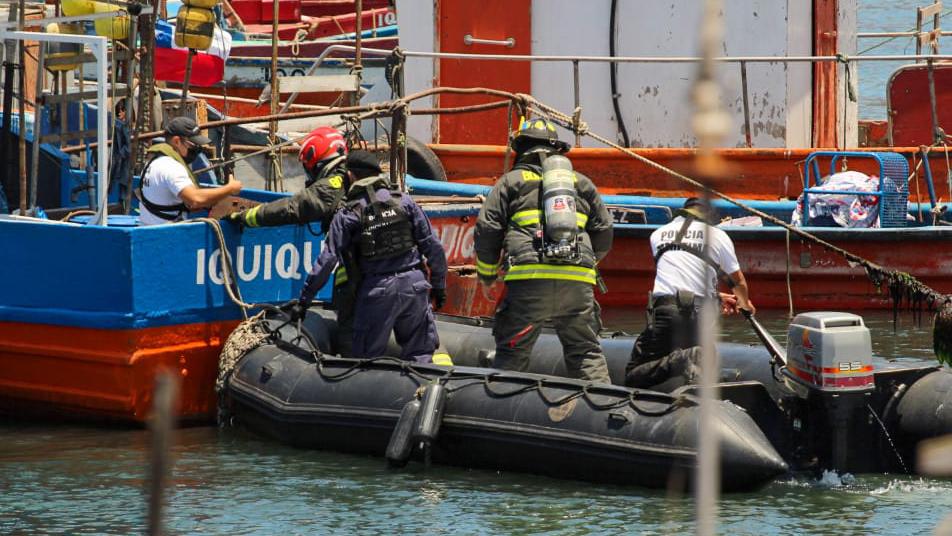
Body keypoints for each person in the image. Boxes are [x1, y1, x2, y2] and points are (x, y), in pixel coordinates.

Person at [474, 118, 613, 384]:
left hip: (529, 280)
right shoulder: (581, 183)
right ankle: (602, 415)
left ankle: (502, 411)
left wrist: (488, 275)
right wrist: (587, 262)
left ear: (521, 149)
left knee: (512, 352)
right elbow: (604, 230)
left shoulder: (510, 181)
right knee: (585, 352)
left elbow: (487, 228)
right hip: (577, 281)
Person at [295, 150, 448, 362]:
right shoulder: (405, 202)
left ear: (350, 176)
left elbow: (327, 260)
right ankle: (424, 392)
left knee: (365, 362)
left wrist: (303, 301)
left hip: (378, 291)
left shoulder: (348, 213)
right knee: (421, 356)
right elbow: (433, 247)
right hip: (415, 287)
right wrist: (439, 286)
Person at [224, 126, 359, 355]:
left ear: (317, 164)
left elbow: (291, 208)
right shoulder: (366, 181)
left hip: (360, 280)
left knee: (351, 342)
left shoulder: (330, 187)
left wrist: (246, 217)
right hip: (397, 276)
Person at [624, 196, 756, 389]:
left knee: (634, 374)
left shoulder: (657, 235)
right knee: (701, 363)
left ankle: (684, 360)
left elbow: (678, 276)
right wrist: (744, 304)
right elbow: (738, 282)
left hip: (667, 310)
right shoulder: (718, 235)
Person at [138, 116, 242, 225]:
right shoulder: (171, 167)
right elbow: (195, 199)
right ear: (177, 141)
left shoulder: (154, 162)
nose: (196, 149)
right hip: (166, 233)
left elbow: (164, 202)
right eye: (192, 144)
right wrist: (230, 188)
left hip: (148, 227)